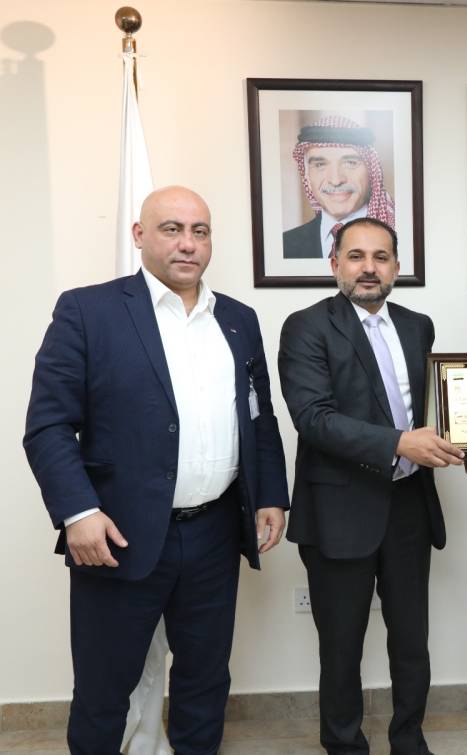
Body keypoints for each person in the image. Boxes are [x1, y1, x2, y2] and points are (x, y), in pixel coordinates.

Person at [23, 186, 289, 755]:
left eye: (200, 231)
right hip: (115, 535)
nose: (188, 243)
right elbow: (48, 425)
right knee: (104, 690)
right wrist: (78, 512)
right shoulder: (88, 311)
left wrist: (270, 494)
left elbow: (258, 418)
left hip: (215, 533)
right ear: (140, 235)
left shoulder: (238, 320)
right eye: (172, 229)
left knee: (205, 681)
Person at [279, 217, 464, 754]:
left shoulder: (418, 325)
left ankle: (409, 740)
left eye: (380, 257)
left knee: (412, 643)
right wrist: (399, 443)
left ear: (397, 267)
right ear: (334, 263)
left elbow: (432, 411)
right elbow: (314, 418)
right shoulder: (306, 327)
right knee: (341, 648)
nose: (368, 268)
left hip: (409, 507)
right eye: (356, 256)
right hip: (340, 511)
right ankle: (344, 745)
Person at [283, 115, 396, 259]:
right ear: (307, 176)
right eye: (320, 165)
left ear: (371, 172)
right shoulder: (285, 246)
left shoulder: (402, 236)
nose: (336, 180)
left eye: (350, 163)